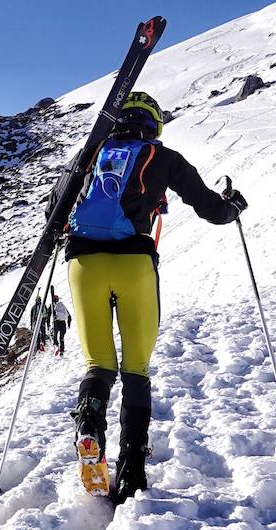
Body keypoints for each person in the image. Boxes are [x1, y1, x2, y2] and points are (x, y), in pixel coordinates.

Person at [47, 91, 246, 503]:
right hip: (135, 265)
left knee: (98, 363)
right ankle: (132, 469)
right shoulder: (164, 157)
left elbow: (55, 208)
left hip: (84, 265)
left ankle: (89, 426)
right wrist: (233, 208)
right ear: (154, 124)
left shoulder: (91, 154)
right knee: (136, 368)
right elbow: (210, 208)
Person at [50, 288, 71, 357]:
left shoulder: (52, 306)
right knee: (61, 337)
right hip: (63, 323)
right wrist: (68, 324)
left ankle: (56, 346)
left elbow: (48, 315)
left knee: (55, 335)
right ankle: (62, 349)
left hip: (56, 323)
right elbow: (69, 315)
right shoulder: (62, 305)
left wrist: (47, 324)